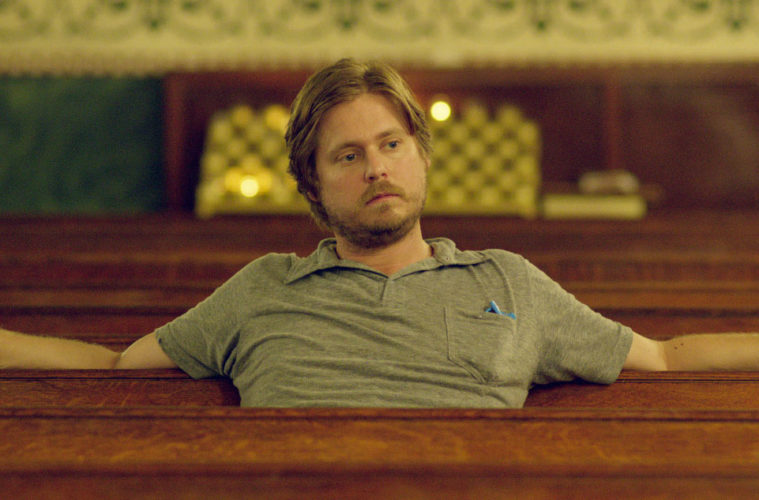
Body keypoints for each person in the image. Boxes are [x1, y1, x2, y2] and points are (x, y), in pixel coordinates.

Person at [2, 58, 759, 407]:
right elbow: (114, 364)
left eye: (391, 145)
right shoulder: (263, 289)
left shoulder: (506, 280)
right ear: (311, 184)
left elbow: (663, 356)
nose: (376, 168)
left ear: (421, 156)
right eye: (348, 155)